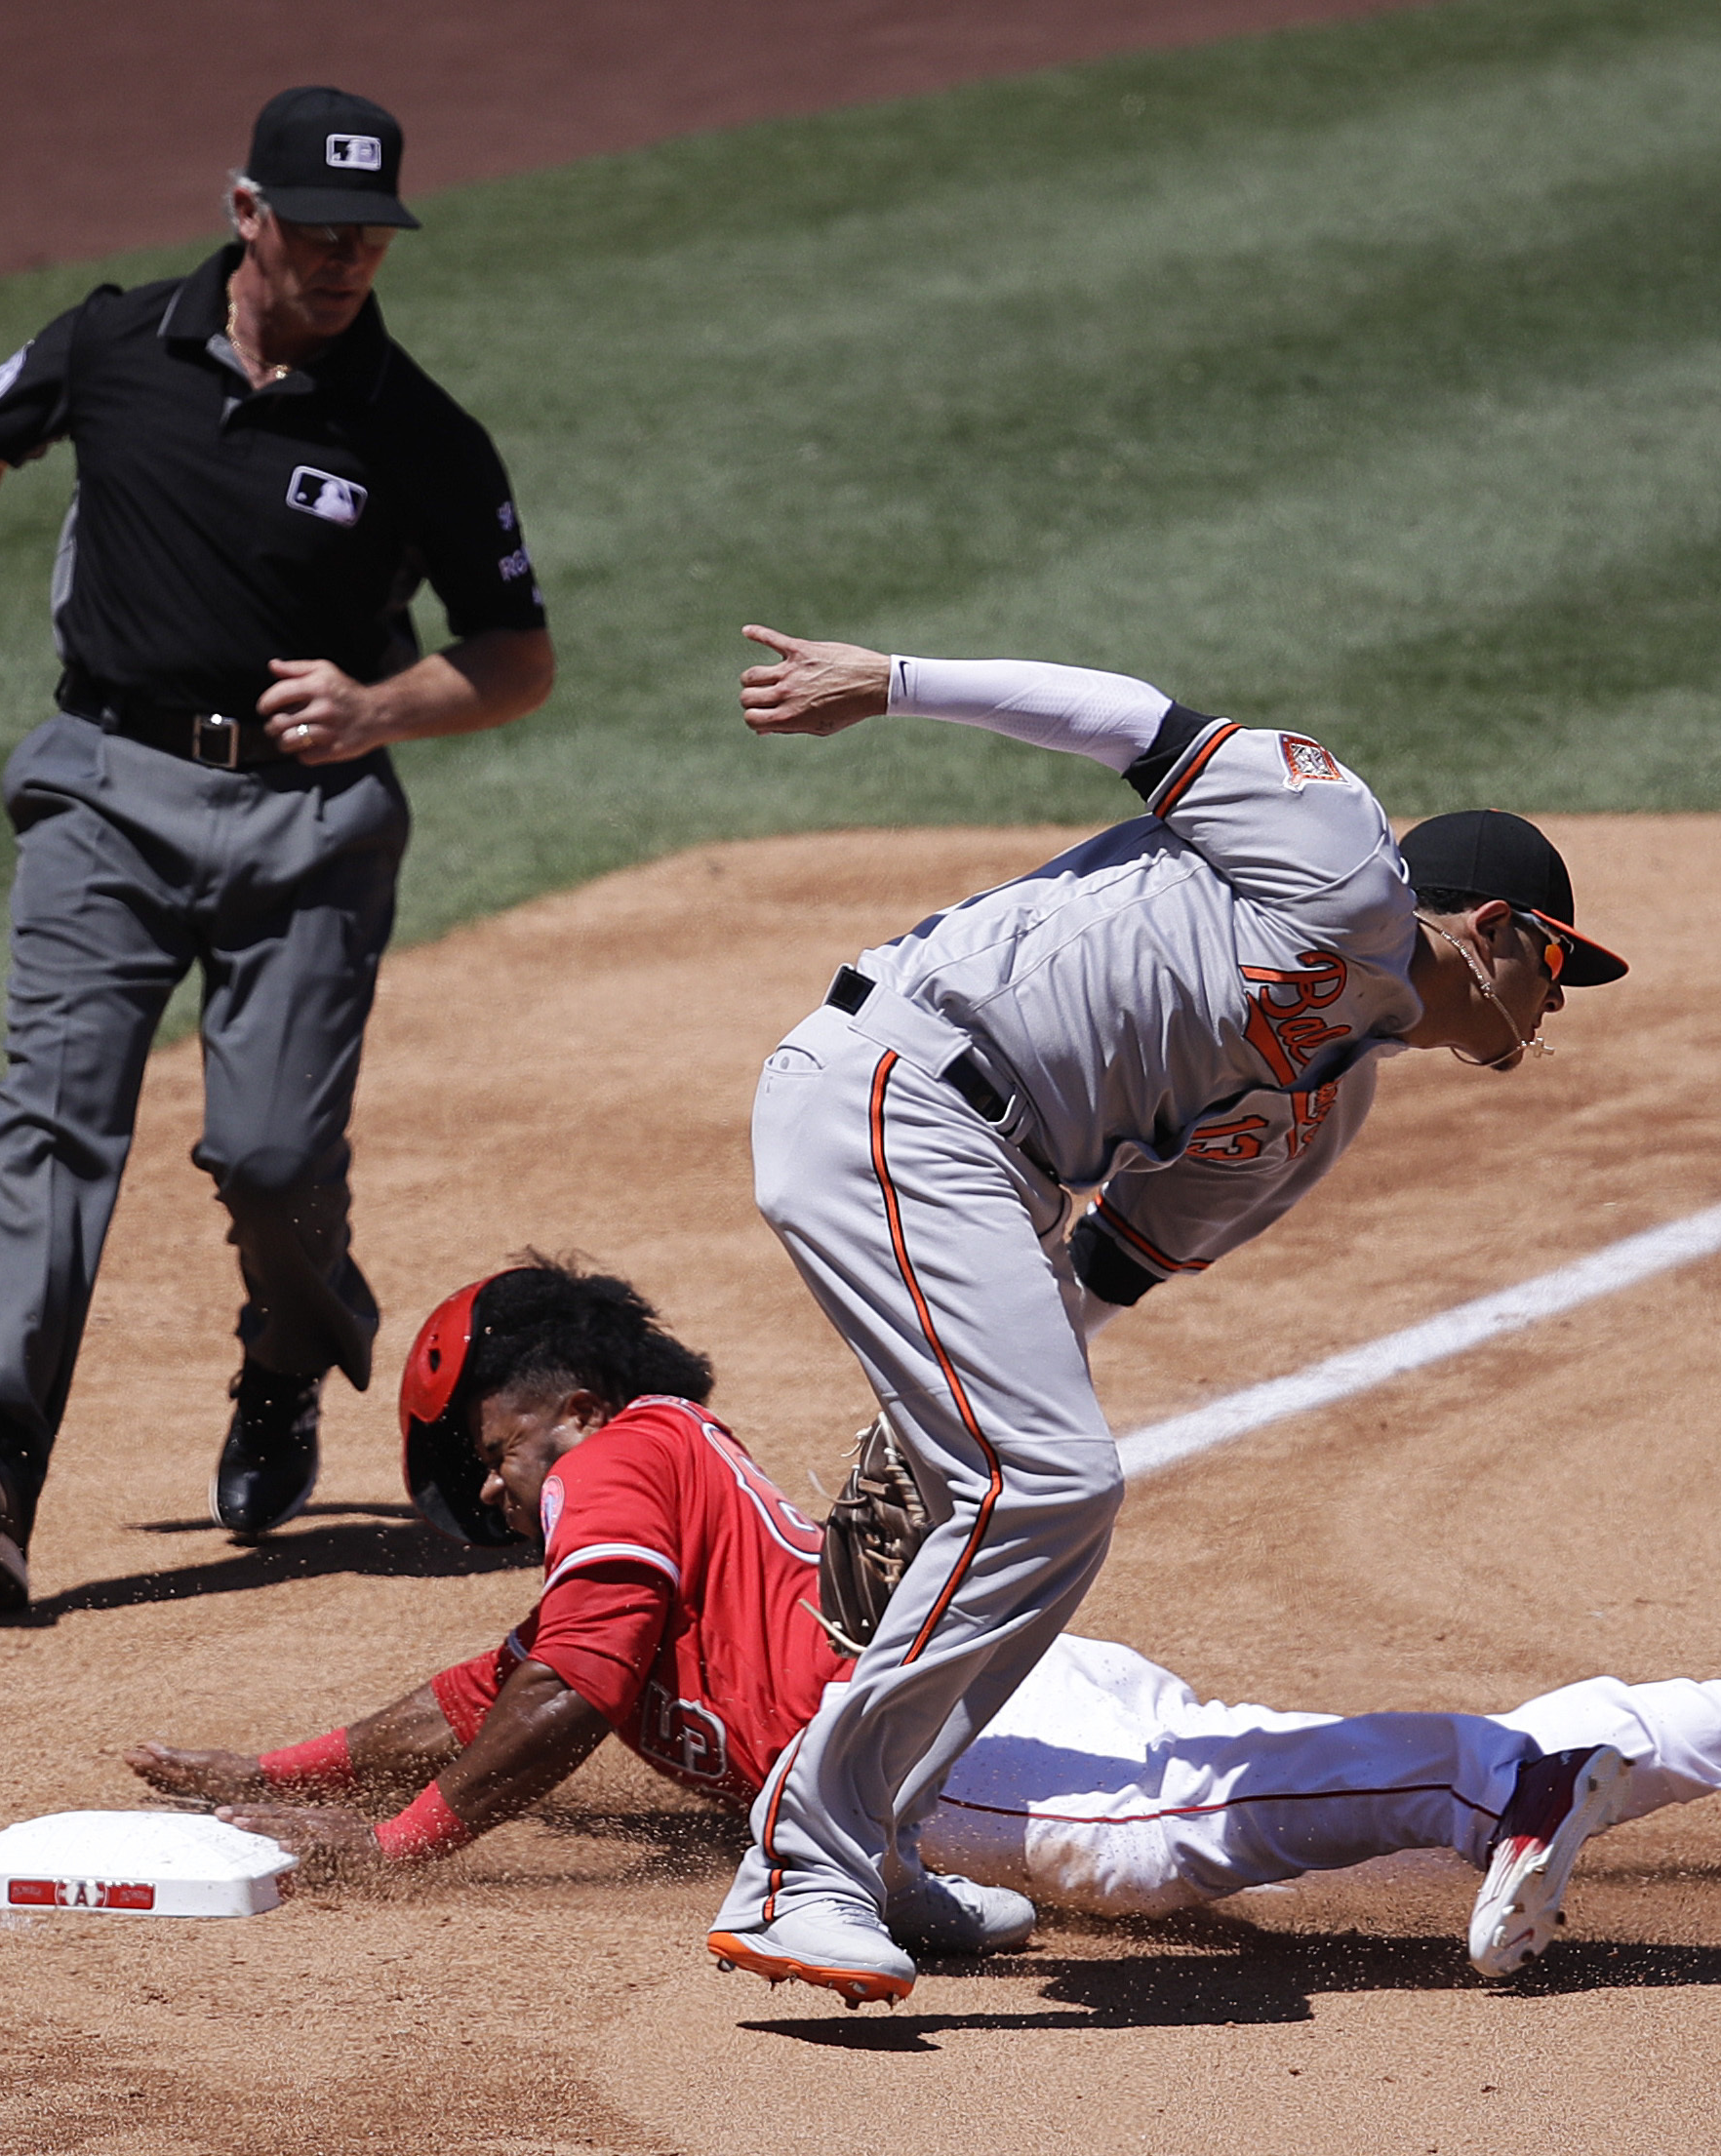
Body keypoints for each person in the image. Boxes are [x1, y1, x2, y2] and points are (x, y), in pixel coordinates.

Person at [124, 1261, 1721, 1999]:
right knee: (1272, 1779)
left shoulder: (602, 1464)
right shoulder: (651, 1475)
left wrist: (392, 1854)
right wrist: (270, 1774)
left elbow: (565, 1694)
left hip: (957, 1750)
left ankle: (1518, 1780)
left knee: (1202, 1843)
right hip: (976, 1722)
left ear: (505, 1408)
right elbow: (489, 1688)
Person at [690, 629, 1628, 1997]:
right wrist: (884, 684)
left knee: (1055, 1506)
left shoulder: (1321, 1100)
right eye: (1555, 969)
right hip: (896, 1086)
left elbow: (1109, 1268)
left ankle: (873, 1842)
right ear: (1494, 929)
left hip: (986, 1175)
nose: (1554, 1007)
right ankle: (798, 1866)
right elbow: (1127, 720)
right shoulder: (1336, 848)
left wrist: (953, 1413)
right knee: (1050, 1482)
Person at [0, 87, 556, 1612]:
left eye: (371, 236)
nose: (347, 260)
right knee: (51, 1123)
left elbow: (516, 657)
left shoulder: (417, 431)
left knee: (271, 1155)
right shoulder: (113, 348)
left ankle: (284, 1369)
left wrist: (382, 703)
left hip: (309, 829)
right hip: (105, 793)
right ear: (247, 212)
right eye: (318, 230)